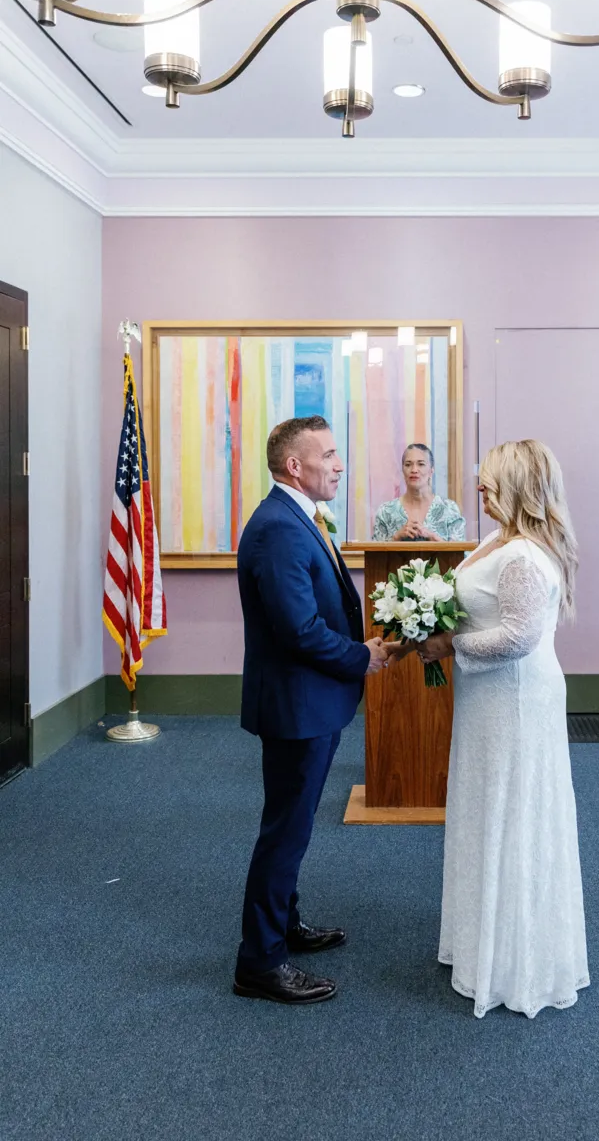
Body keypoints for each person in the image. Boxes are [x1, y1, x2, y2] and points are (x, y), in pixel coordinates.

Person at [389, 439, 588, 1018]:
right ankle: (483, 942)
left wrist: (448, 644)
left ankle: (515, 963)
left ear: (518, 484)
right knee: (485, 809)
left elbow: (519, 637)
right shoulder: (497, 539)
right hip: (489, 700)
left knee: (513, 814)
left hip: (515, 700)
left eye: (489, 478)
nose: (478, 485)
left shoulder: (523, 554)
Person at [234, 415, 387, 1005]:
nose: (339, 464)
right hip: (297, 706)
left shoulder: (298, 518)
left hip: (313, 703)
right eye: (328, 454)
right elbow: (298, 630)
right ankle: (259, 961)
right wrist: (361, 658)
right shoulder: (278, 528)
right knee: (285, 833)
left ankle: (284, 926)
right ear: (294, 465)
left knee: (291, 829)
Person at [372, 443, 466, 542]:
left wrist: (432, 537)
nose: (414, 470)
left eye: (421, 464)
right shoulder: (386, 512)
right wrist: (396, 537)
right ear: (403, 470)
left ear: (431, 470)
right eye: (408, 465)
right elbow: (375, 556)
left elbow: (461, 555)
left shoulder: (449, 509)